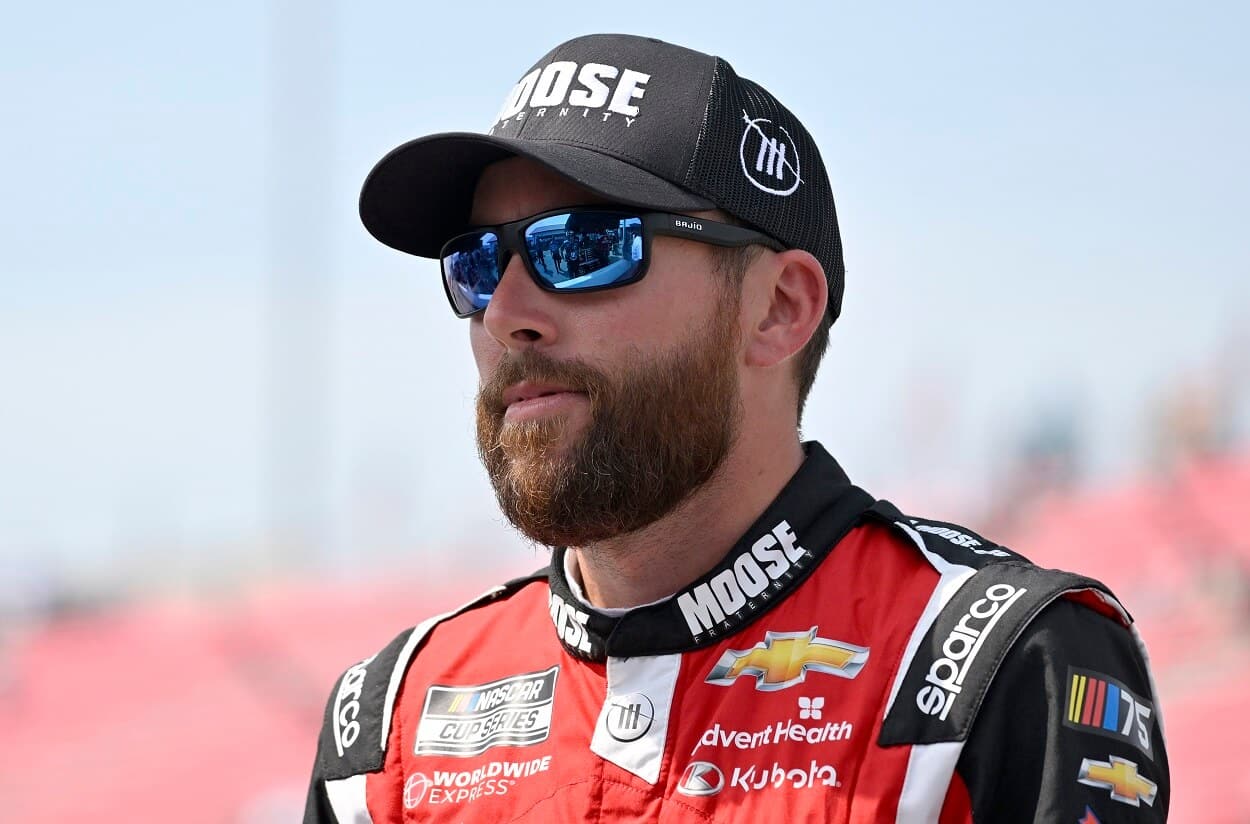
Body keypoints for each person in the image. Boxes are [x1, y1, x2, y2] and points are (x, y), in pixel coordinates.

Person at [304, 34, 1170, 823]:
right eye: (480, 263)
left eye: (586, 245)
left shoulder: (1002, 659)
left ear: (778, 309)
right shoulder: (391, 722)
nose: (509, 315)